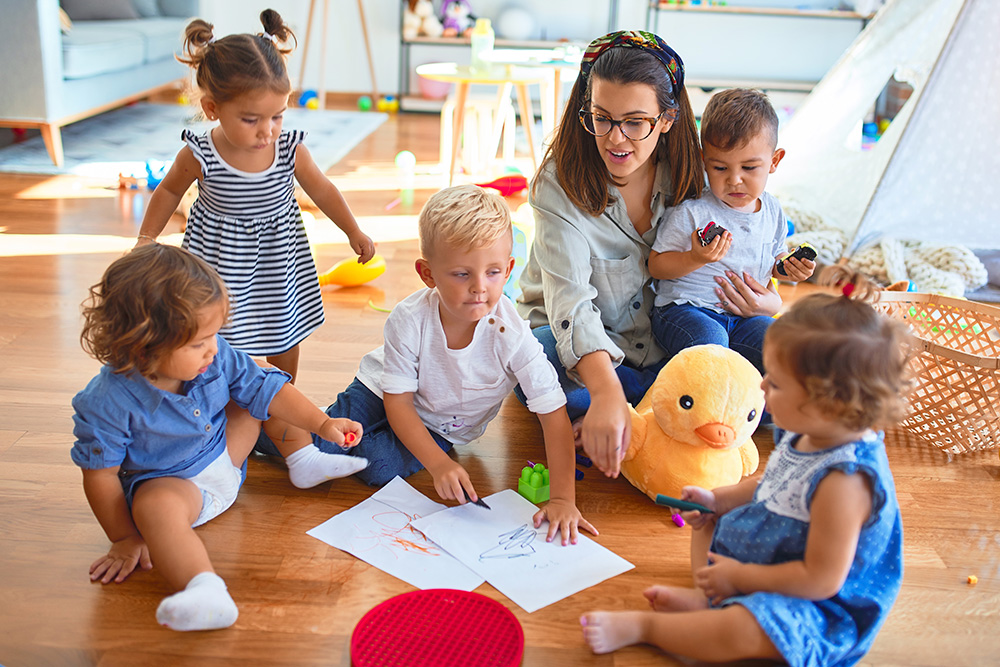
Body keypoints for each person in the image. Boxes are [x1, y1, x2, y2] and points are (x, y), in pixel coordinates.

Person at [580, 266, 912, 666]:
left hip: (822, 605)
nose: (762, 386)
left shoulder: (845, 482)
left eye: (777, 382)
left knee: (744, 631)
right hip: (783, 559)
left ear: (827, 402)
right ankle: (709, 601)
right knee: (710, 518)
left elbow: (821, 580)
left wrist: (742, 578)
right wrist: (715, 499)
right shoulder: (808, 432)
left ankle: (649, 630)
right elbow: (772, 486)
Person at [257, 185, 596, 545]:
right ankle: (259, 421)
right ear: (428, 274)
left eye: (493, 272)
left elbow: (553, 414)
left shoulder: (512, 336)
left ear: (509, 269)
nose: (480, 288)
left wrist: (562, 499)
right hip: (378, 392)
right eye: (462, 275)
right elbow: (397, 402)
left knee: (380, 468)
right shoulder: (409, 318)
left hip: (441, 427)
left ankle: (324, 429)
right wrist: (438, 465)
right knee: (325, 441)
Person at [517, 31, 777, 478]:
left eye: (635, 122)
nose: (616, 139)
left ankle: (650, 411)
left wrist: (771, 302)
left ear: (668, 120)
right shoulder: (557, 185)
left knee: (773, 371)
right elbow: (571, 306)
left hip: (665, 342)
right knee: (533, 362)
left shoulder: (699, 173)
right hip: (584, 351)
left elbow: (746, 248)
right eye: (601, 118)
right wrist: (606, 395)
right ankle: (655, 410)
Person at [71, 244, 368, 631]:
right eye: (198, 342)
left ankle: (304, 459)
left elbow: (270, 391)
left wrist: (323, 425)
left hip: (227, 455)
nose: (213, 348)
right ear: (142, 344)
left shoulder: (215, 354)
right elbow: (100, 477)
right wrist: (125, 537)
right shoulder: (107, 401)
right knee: (155, 506)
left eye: (215, 334)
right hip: (178, 489)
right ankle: (204, 588)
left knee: (263, 383)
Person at [134, 10, 374, 382]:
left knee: (284, 331)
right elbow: (168, 190)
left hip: (277, 258)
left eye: (277, 116)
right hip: (217, 259)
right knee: (216, 330)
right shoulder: (199, 154)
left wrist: (353, 231)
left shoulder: (290, 150)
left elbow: (323, 189)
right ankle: (218, 394)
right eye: (251, 119)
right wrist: (146, 239)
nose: (268, 131)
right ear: (212, 108)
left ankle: (282, 398)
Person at [648, 88, 815, 374]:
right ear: (704, 161)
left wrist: (788, 268)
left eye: (749, 167)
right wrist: (695, 258)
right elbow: (657, 265)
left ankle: (764, 413)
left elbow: (773, 260)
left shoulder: (772, 210)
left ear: (774, 161)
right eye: (720, 167)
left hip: (744, 318)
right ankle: (649, 386)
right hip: (684, 310)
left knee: (781, 345)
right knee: (712, 343)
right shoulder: (694, 209)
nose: (735, 179)